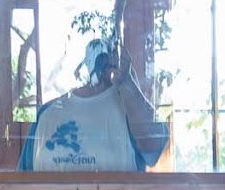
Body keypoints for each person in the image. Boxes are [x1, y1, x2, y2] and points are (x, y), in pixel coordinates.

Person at [24, 37, 166, 171]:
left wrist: (127, 82)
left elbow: (153, 148)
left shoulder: (131, 111)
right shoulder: (46, 114)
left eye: (104, 55)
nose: (101, 63)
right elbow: (23, 181)